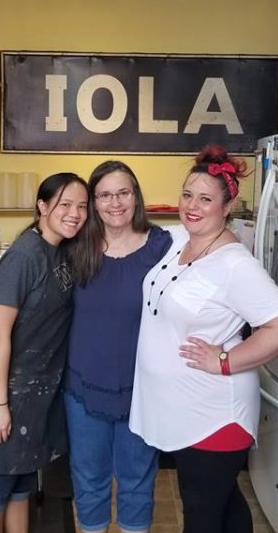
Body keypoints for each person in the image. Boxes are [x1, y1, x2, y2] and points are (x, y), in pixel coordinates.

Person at [130, 145, 278, 533]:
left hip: (216, 416)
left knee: (203, 517)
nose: (192, 205)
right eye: (187, 194)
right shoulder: (177, 242)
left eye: (206, 199)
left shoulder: (236, 265)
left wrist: (224, 360)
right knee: (225, 506)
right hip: (184, 412)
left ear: (226, 206)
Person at [0, 172, 89, 533]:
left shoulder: (63, 250)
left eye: (82, 206)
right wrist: (1, 405)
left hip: (41, 392)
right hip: (11, 391)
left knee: (22, 484)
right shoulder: (23, 256)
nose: (75, 213)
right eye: (65, 204)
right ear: (42, 206)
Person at [65, 161, 172, 533]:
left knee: (137, 479)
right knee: (88, 478)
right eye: (105, 195)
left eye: (123, 193)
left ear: (136, 196)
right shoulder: (76, 246)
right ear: (93, 202)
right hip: (82, 386)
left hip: (142, 388)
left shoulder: (163, 247)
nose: (115, 203)